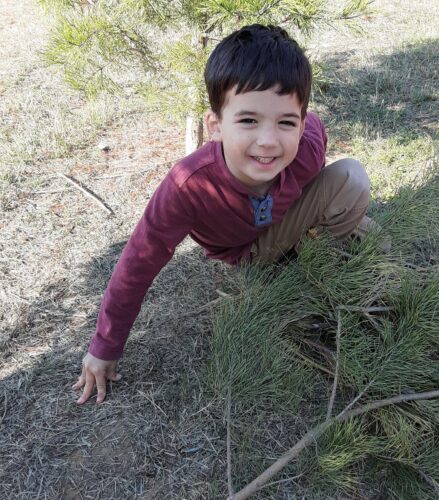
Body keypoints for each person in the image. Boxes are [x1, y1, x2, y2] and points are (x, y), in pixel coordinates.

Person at [73, 24, 371, 404]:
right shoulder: (189, 185)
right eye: (248, 120)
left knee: (365, 212)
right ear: (215, 126)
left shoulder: (307, 143)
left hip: (285, 222)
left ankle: (312, 254)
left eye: (285, 122)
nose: (268, 140)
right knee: (352, 193)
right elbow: (138, 262)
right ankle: (295, 277)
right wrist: (104, 346)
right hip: (249, 253)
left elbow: (315, 141)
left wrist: (311, 208)